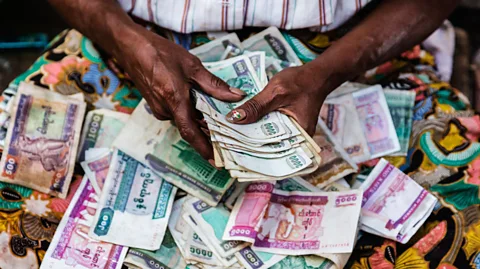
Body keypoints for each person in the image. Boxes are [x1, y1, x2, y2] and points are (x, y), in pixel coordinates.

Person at [47, 0, 459, 163]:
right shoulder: (127, 40)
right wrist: (122, 38)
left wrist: (329, 71)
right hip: (133, 40)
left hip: (357, 43)